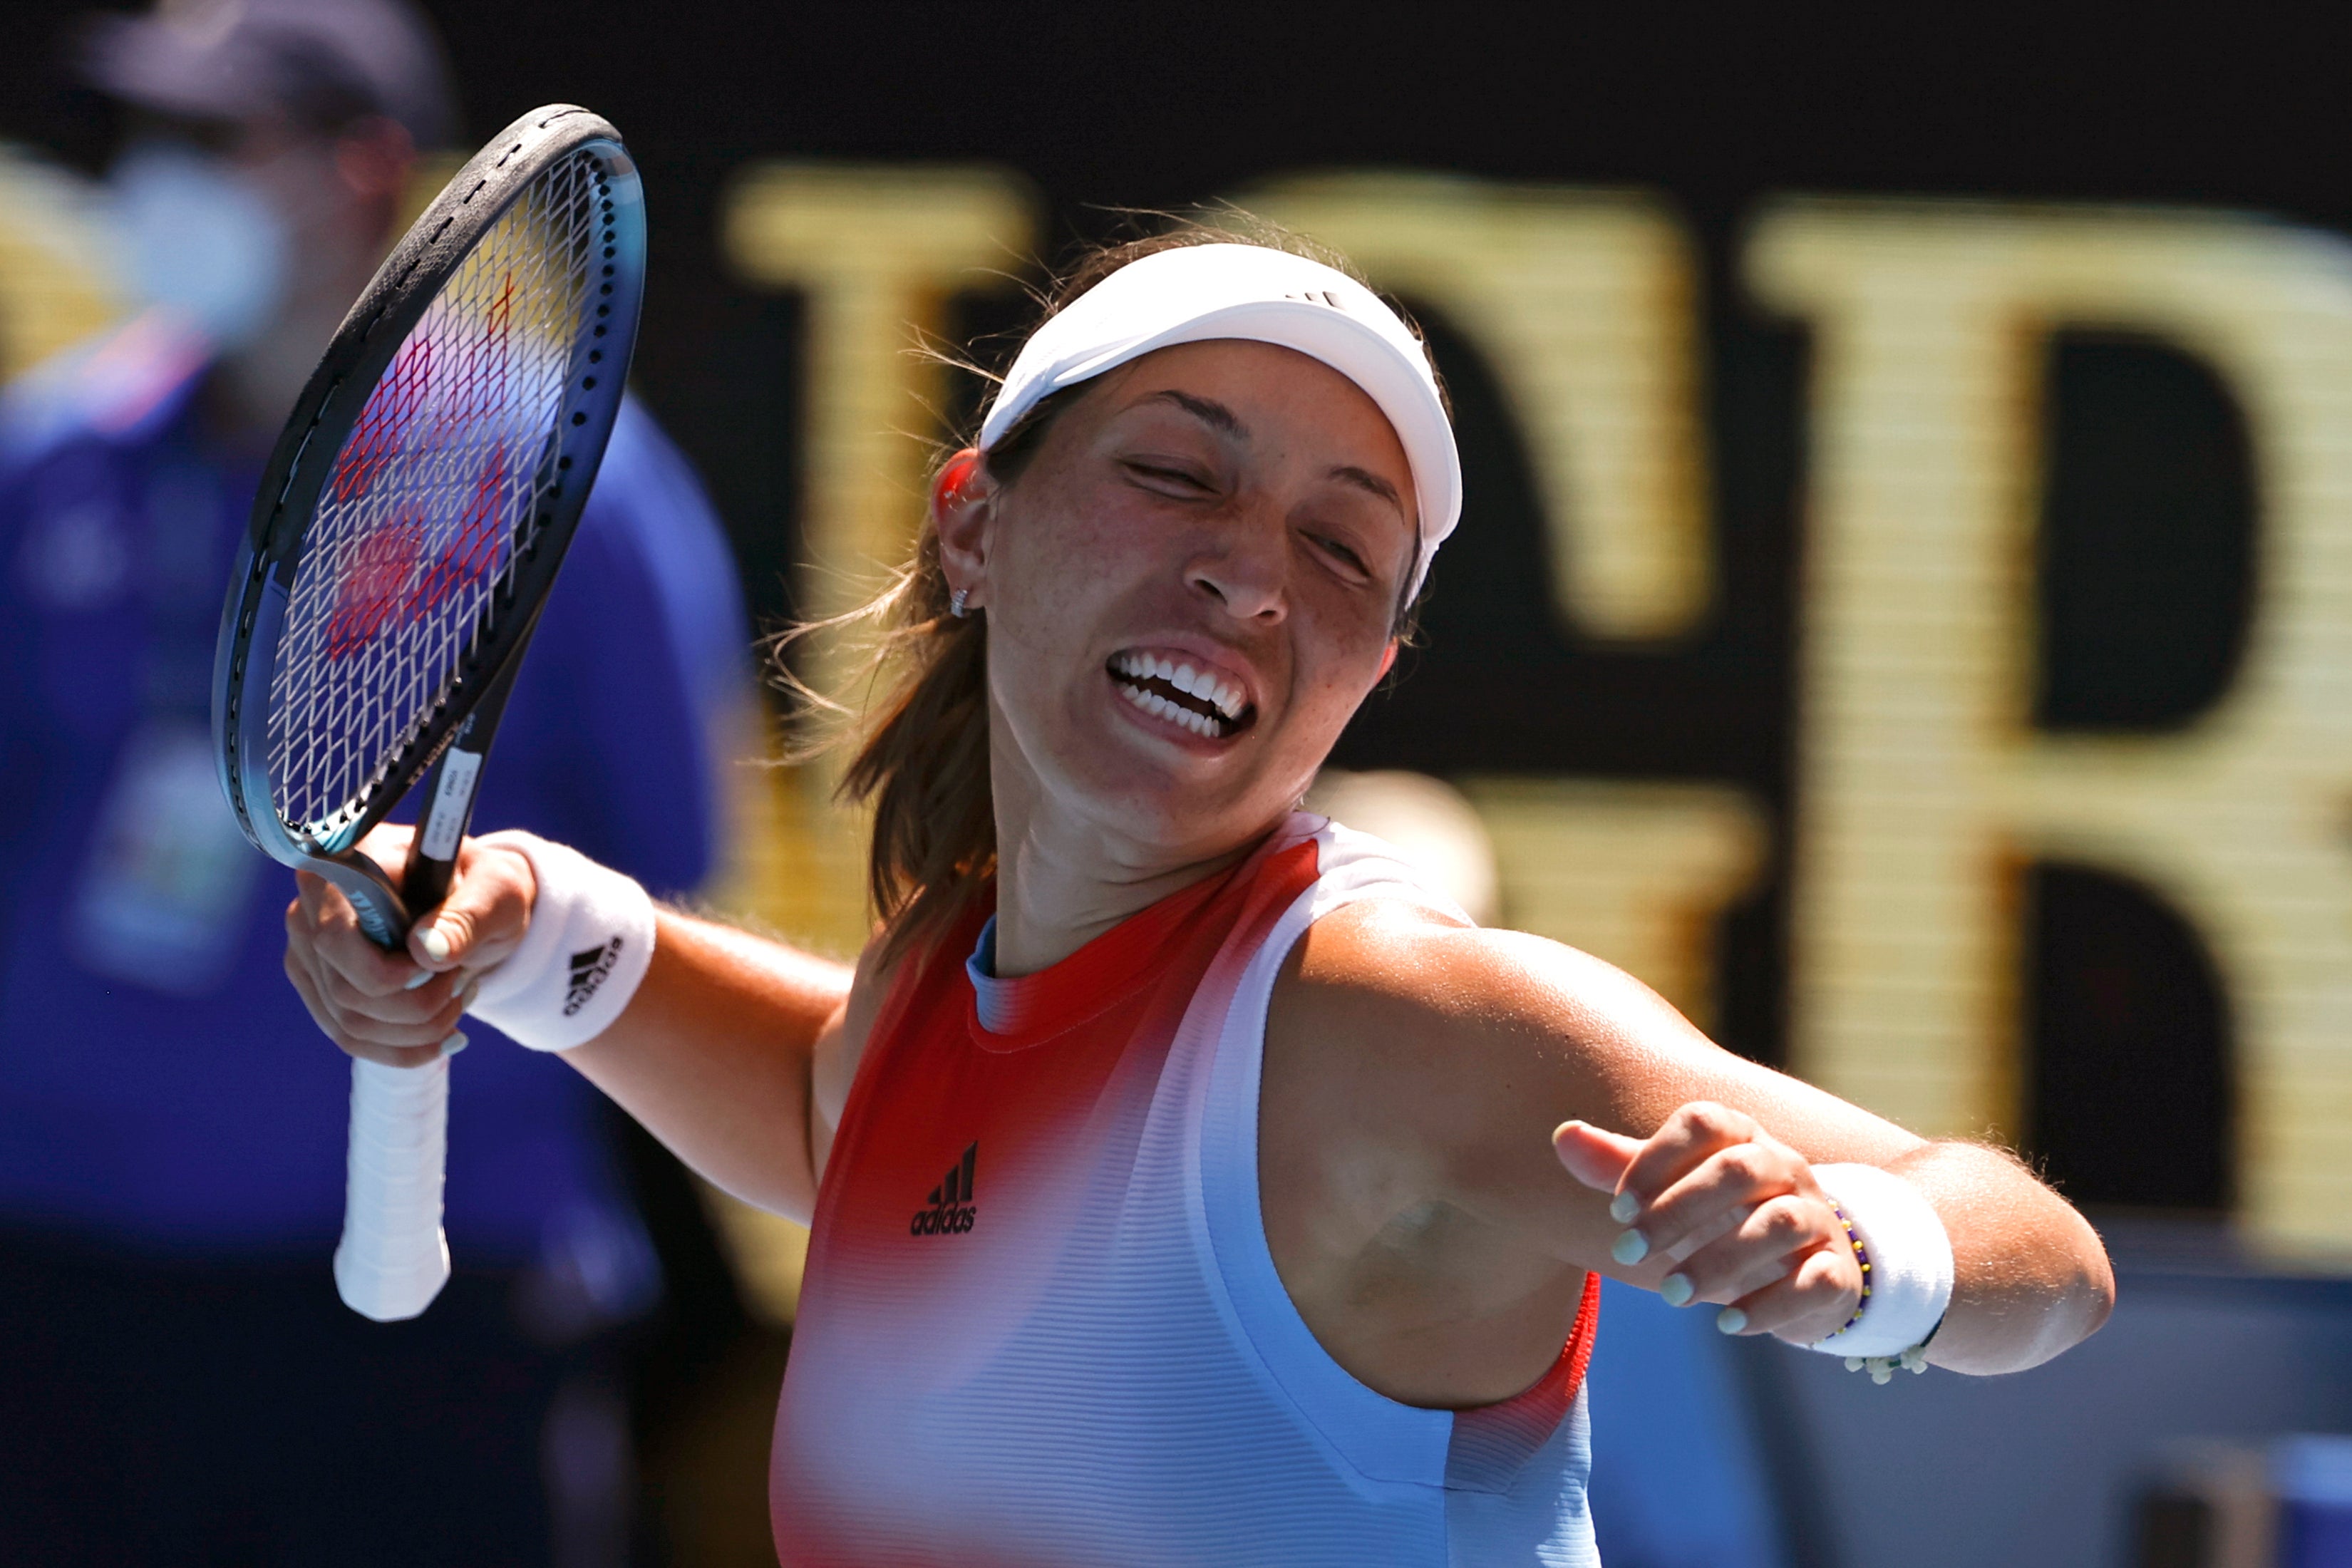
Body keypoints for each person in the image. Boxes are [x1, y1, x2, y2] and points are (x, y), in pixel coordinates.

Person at [289, 225, 2115, 1565]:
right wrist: (521, 925)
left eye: (1340, 545)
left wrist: (1873, 1259)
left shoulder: (1393, 1022)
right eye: (1176, 474)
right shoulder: (944, 983)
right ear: (975, 521)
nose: (1251, 574)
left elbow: (2052, 1269)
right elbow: (826, 1111)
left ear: (1366, 674)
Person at [0, 3, 753, 1562]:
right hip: (56, 1286)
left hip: (429, 1301)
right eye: (145, 143)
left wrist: (474, 943)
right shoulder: (53, 452)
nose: (159, 185)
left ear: (363, 172)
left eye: (213, 143)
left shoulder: (569, 483)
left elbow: (669, 859)